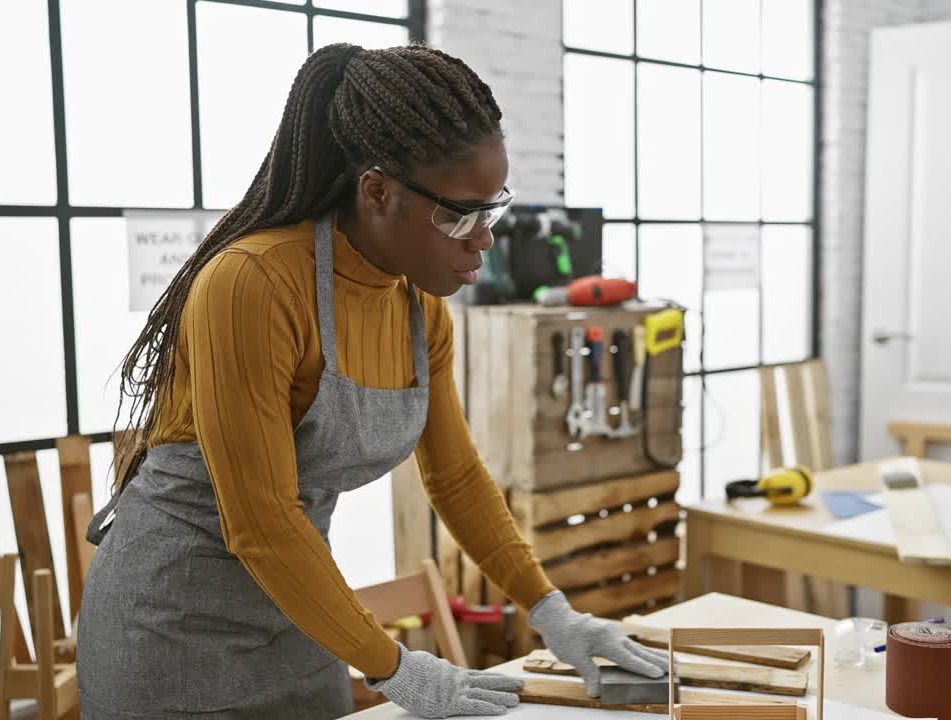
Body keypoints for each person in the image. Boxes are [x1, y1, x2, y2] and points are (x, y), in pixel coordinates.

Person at [76, 42, 668, 720]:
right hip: (170, 623)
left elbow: (456, 479)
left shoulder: (418, 310)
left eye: (492, 209)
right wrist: (397, 668)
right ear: (378, 192)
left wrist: (553, 612)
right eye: (459, 215)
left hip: (300, 609)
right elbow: (263, 522)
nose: (485, 240)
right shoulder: (253, 283)